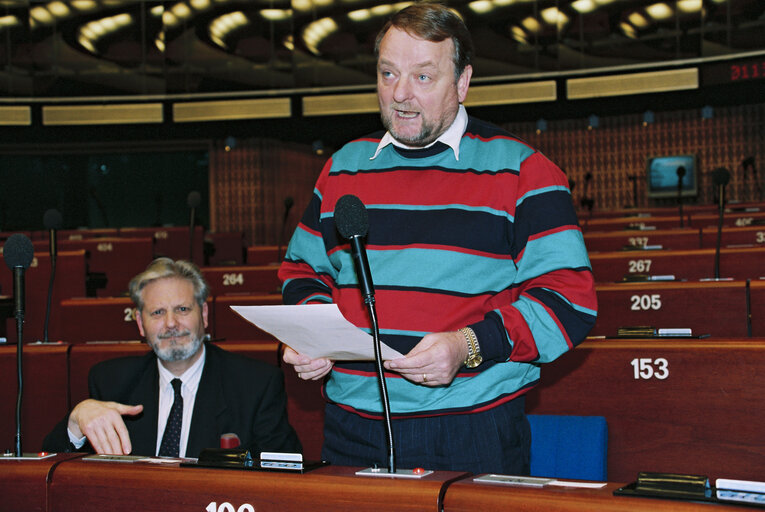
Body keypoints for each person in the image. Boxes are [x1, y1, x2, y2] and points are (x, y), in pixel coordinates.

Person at [278, 2, 597, 474]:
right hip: (350, 426)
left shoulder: (524, 172)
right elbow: (303, 271)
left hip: (472, 427)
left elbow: (568, 302)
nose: (401, 94)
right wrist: (312, 331)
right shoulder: (343, 165)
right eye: (388, 74)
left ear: (463, 82)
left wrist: (467, 345)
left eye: (423, 77)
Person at [44, 258, 301, 458]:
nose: (171, 323)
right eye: (157, 312)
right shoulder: (110, 383)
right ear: (140, 323)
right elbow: (55, 466)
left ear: (204, 314)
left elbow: (286, 476)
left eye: (182, 309)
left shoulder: (256, 385)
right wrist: (76, 424)